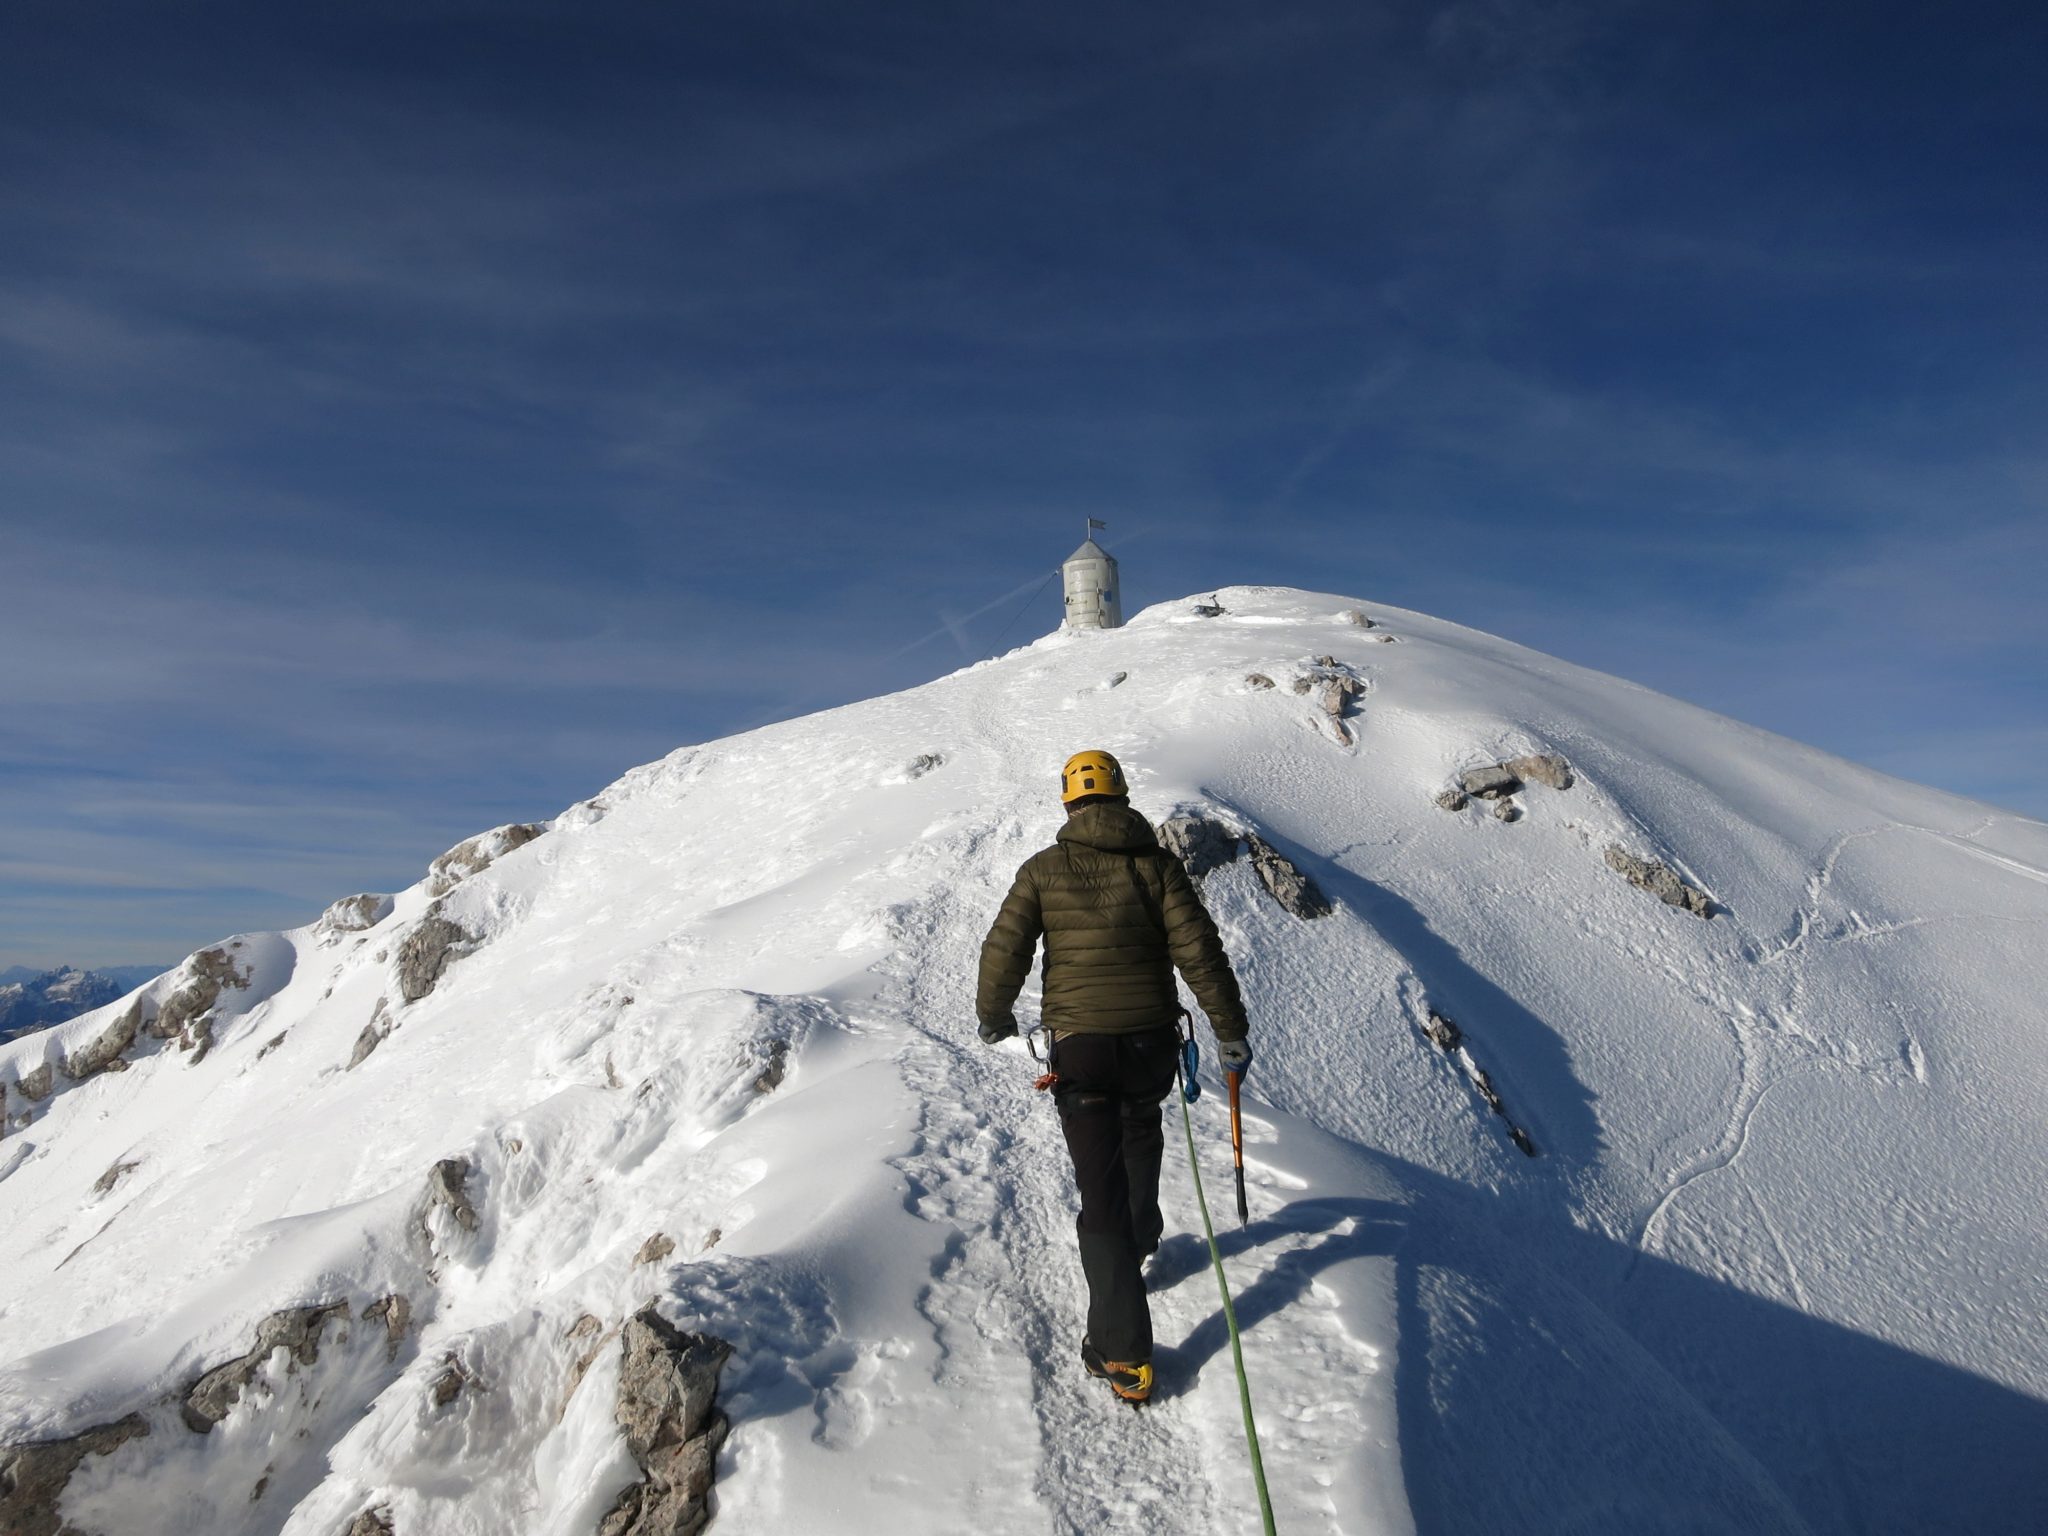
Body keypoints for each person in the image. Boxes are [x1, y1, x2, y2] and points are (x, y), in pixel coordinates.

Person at [975, 749, 1252, 1405]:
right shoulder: (1157, 867)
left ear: (1069, 804)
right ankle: (1144, 1235)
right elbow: (1199, 952)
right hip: (1151, 1042)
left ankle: (1123, 1355)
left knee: (1099, 1187)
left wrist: (994, 1019)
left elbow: (1004, 950)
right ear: (1123, 798)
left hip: (1082, 1049)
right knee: (1141, 1124)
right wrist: (1229, 1029)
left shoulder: (1043, 870)